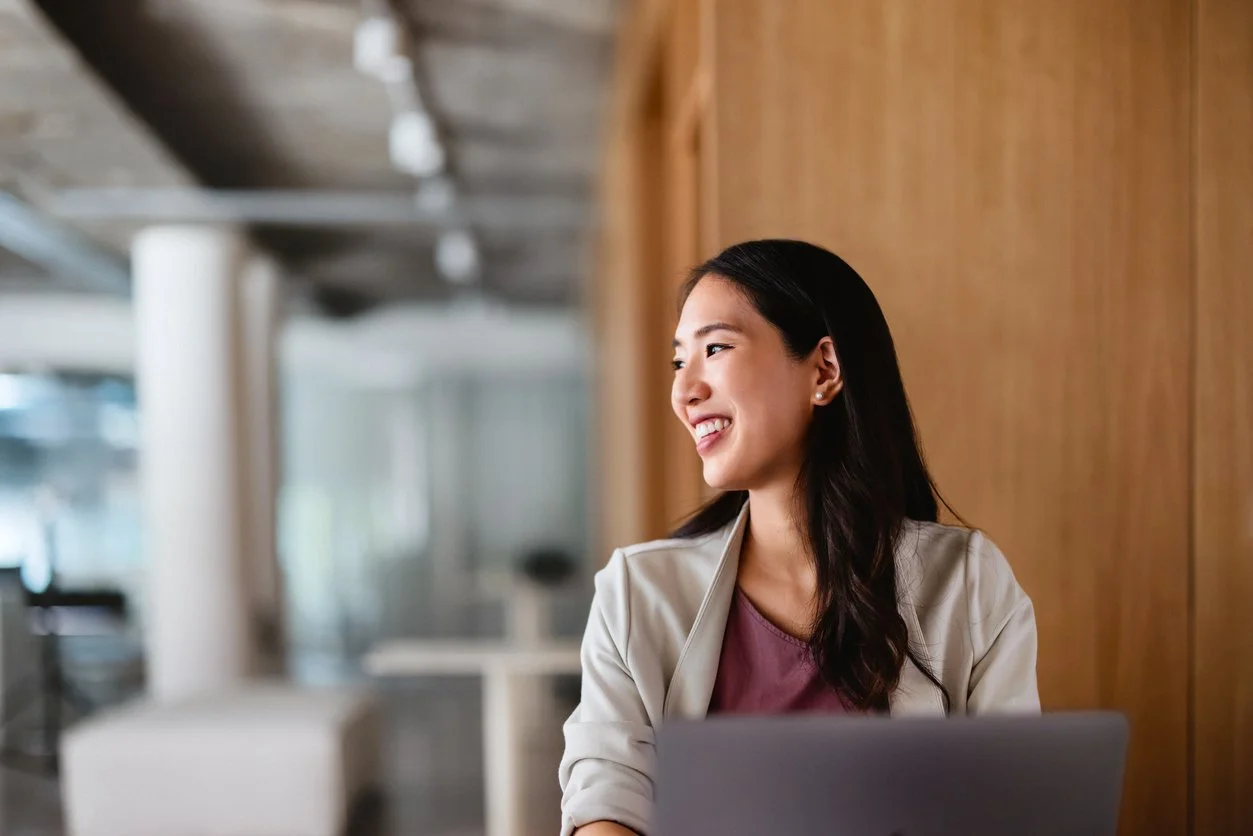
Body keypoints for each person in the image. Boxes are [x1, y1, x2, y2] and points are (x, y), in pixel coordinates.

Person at [558, 240, 1039, 836]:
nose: (685, 392)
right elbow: (605, 799)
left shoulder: (967, 583)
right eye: (680, 362)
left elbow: (1013, 806)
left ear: (824, 370)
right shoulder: (638, 593)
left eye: (715, 349)